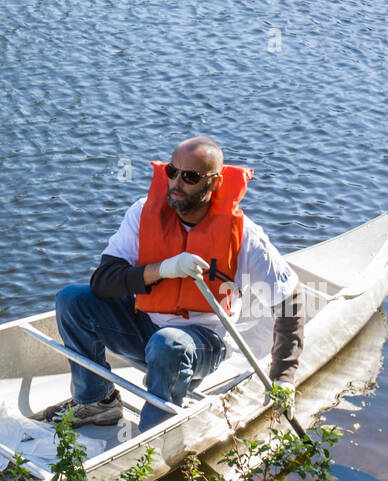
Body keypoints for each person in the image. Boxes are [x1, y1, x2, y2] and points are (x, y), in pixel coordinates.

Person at [42, 136, 307, 433]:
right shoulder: (143, 214)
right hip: (145, 327)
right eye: (172, 171)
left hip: (202, 343)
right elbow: (104, 281)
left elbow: (288, 298)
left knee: (168, 343)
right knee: (72, 300)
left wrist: (284, 376)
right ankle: (97, 402)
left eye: (190, 177)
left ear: (215, 183)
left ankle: (151, 439)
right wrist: (163, 269)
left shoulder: (244, 236)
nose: (177, 182)